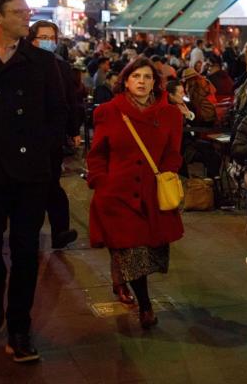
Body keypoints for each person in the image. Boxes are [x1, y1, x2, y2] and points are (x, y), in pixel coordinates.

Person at [0, 0, 68, 361]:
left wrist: (40, 150)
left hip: (30, 175)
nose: (28, 16)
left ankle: (20, 330)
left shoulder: (41, 62)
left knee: (25, 253)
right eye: (19, 11)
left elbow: (60, 115)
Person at [87, 57, 183, 331]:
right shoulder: (108, 112)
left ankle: (120, 276)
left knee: (149, 251)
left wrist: (167, 174)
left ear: (155, 82)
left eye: (147, 77)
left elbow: (173, 153)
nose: (142, 81)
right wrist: (100, 182)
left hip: (152, 196)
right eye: (136, 76)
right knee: (132, 250)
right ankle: (146, 306)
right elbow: (98, 154)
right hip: (117, 193)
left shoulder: (170, 114)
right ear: (125, 81)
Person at [28, 20, 82, 250]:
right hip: (27, 137)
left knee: (51, 183)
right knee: (36, 186)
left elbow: (70, 101)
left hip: (52, 137)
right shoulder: (23, 64)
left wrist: (72, 130)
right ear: (32, 39)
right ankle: (32, 231)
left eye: (52, 38)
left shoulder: (61, 66)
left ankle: (59, 231)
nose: (48, 42)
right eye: (43, 37)